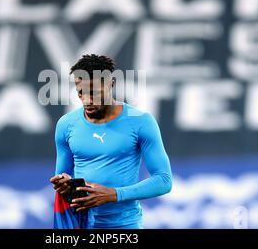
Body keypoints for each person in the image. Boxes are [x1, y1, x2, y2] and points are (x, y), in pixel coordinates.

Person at [50, 54, 172, 229]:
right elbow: (63, 179)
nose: (87, 100)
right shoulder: (66, 124)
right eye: (81, 93)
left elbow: (164, 180)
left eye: (95, 93)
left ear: (111, 84)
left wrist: (113, 194)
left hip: (124, 226)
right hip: (82, 225)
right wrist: (64, 184)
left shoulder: (141, 121)